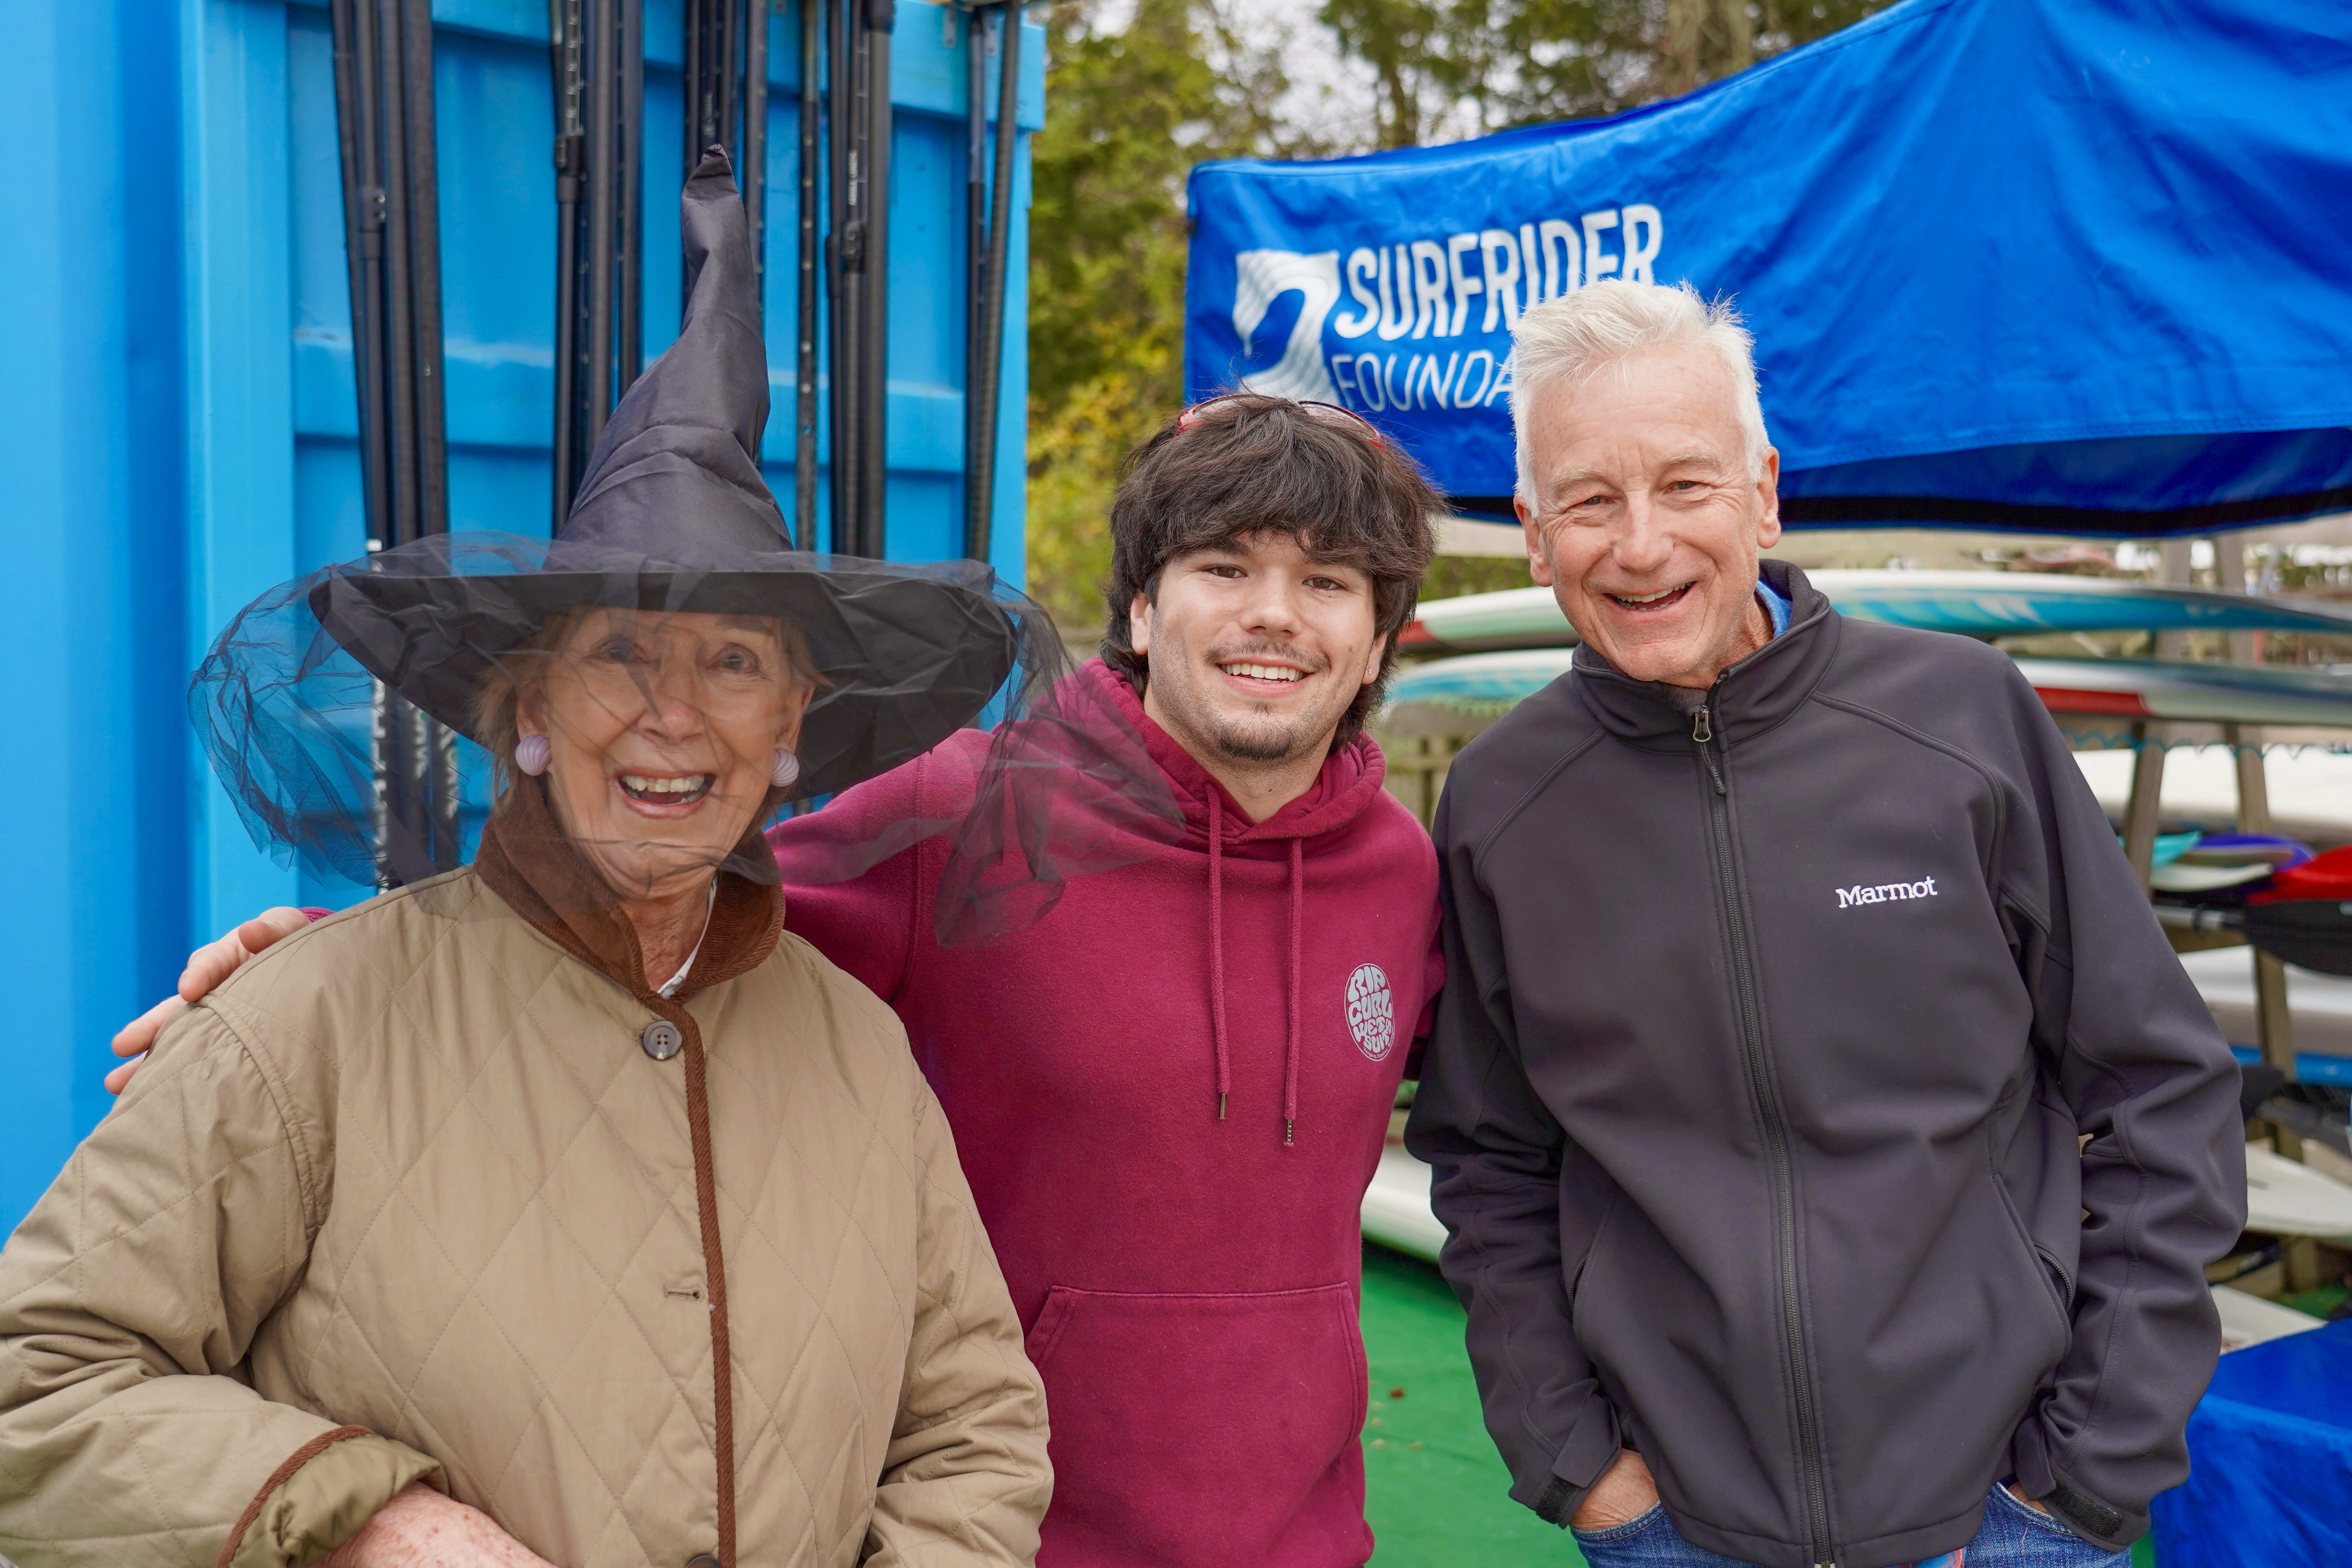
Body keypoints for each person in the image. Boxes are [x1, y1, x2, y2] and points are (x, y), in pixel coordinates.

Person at [108, 393, 1446, 1566]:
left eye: (1329, 582)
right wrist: (342, 967)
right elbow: (660, 896)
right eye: (1225, 566)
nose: (1275, 614)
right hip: (1039, 1540)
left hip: (1302, 1537)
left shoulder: (1404, 871)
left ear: (1385, 635)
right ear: (1145, 608)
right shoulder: (963, 816)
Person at [4, 152, 1051, 1568]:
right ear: (529, 712)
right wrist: (378, 1519)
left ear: (793, 725)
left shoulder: (859, 1049)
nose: (673, 714)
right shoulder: (308, 1019)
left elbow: (974, 1431)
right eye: (619, 652)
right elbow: (39, 1386)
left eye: (735, 663)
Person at [1405, 278, 2248, 1568]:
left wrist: (2084, 1475)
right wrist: (1579, 1468)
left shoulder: (1963, 721)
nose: (1641, 545)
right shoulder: (1502, 804)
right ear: (1533, 532)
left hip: (2004, 1517)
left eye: (1686, 484)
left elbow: (2162, 1091)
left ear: (1764, 495)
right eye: (1590, 500)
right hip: (1674, 1530)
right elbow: (1488, 1160)